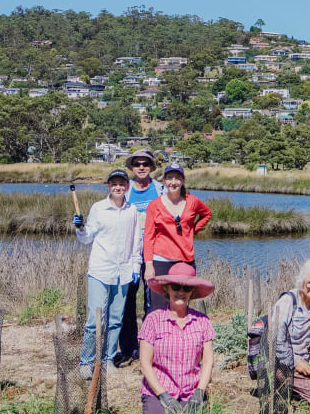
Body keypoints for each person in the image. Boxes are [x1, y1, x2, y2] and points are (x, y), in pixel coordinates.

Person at [74, 168, 141, 379]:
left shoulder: (132, 211)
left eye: (122, 184)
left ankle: (108, 359)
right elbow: (86, 238)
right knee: (95, 320)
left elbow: (136, 244)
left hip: (123, 272)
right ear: (109, 187)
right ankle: (86, 361)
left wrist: (136, 269)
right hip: (100, 271)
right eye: (114, 184)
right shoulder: (98, 208)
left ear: (127, 187)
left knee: (115, 320)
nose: (118, 187)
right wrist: (80, 228)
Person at [138, 263, 216, 414]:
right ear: (167, 289)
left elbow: (208, 361)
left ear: (192, 292)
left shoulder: (202, 321)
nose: (181, 292)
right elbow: (145, 364)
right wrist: (163, 395)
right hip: (158, 390)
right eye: (176, 286)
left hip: (190, 391)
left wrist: (200, 392)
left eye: (186, 288)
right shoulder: (153, 320)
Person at [142, 164, 213, 312]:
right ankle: (157, 335)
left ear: (183, 180)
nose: (173, 182)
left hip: (185, 261)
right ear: (164, 181)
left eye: (177, 178)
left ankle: (179, 334)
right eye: (169, 178)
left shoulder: (192, 201)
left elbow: (207, 213)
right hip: (161, 260)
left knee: (180, 306)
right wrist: (149, 265)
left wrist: (195, 229)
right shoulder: (154, 205)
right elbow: (148, 236)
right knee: (158, 307)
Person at [115, 148, 163, 366]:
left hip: (155, 253)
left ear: (152, 167)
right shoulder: (124, 191)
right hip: (128, 254)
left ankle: (151, 348)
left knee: (153, 302)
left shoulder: (160, 190)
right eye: (137, 164)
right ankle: (128, 347)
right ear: (131, 167)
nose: (141, 167)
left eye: (145, 163)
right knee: (126, 301)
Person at [270, 259, 310, 406]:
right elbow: (275, 339)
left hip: (309, 357)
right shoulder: (288, 301)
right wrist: (296, 362)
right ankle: (283, 382)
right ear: (302, 281)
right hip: (286, 361)